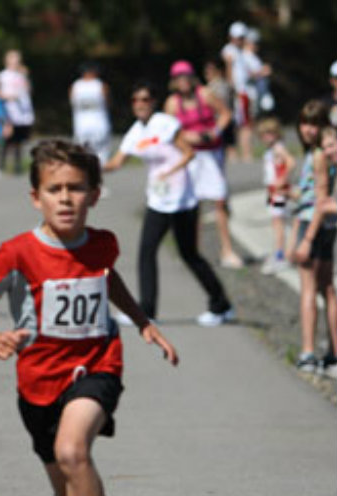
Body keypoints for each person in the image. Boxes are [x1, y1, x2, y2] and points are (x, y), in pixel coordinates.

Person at [0, 139, 179, 496]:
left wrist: (142, 321)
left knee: (73, 450)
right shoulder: (17, 253)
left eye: (76, 188)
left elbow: (106, 277)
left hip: (97, 364)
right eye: (54, 189)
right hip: (37, 382)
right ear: (35, 197)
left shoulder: (103, 244)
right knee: (64, 487)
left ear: (95, 194)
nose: (65, 198)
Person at [104, 81, 234, 326]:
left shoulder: (164, 123)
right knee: (146, 252)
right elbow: (116, 162)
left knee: (189, 255)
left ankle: (221, 306)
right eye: (135, 100)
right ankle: (147, 311)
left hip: (182, 200)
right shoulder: (135, 132)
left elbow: (189, 153)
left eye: (145, 99)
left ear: (153, 102)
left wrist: (169, 172)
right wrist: (90, 167)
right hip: (158, 200)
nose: (140, 104)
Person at [164, 60, 241, 269]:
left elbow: (225, 113)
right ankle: (193, 253)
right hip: (189, 155)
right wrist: (187, 137)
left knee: (219, 200)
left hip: (211, 153)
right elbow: (168, 131)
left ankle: (227, 250)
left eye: (186, 76)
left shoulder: (205, 94)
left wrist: (214, 132)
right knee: (192, 205)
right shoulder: (172, 103)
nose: (183, 81)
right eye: (178, 78)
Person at [290, 104, 337, 375]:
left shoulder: (318, 154)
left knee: (309, 288)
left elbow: (319, 200)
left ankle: (308, 351)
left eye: (314, 124)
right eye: (304, 123)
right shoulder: (319, 153)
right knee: (327, 288)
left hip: (314, 224)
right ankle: (332, 352)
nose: (308, 129)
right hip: (325, 224)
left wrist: (306, 239)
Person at [257, 117, 295, 274]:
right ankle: (279, 252)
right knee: (276, 222)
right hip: (272, 192)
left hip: (278, 192)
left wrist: (282, 179)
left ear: (277, 133)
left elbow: (291, 162)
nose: (266, 137)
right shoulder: (271, 150)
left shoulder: (278, 148)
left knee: (278, 222)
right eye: (263, 134)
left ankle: (280, 255)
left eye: (270, 133)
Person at [0, 50, 35, 174]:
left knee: (19, 141)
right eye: (14, 59)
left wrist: (26, 76)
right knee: (7, 141)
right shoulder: (2, 76)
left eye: (18, 59)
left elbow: (29, 90)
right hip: (9, 112)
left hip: (23, 114)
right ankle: (0, 167)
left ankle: (17, 166)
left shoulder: (22, 75)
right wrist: (7, 97)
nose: (17, 62)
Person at [220, 22, 253, 162]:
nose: (240, 40)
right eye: (238, 37)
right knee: (241, 123)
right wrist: (231, 87)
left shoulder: (242, 52)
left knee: (243, 122)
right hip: (236, 91)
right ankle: (243, 153)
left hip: (243, 90)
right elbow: (228, 69)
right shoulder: (229, 50)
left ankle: (243, 152)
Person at [69, 62, 111, 164]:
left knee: (82, 153)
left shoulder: (75, 86)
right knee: (101, 152)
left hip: (81, 123)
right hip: (99, 122)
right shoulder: (100, 85)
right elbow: (107, 102)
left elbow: (72, 102)